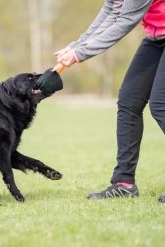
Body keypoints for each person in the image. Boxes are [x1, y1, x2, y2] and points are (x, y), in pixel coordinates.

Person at [55, 0, 165, 202]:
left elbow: (125, 20)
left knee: (160, 104)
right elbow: (112, 11)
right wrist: (77, 46)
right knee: (128, 103)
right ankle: (124, 184)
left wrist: (80, 53)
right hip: (156, 37)